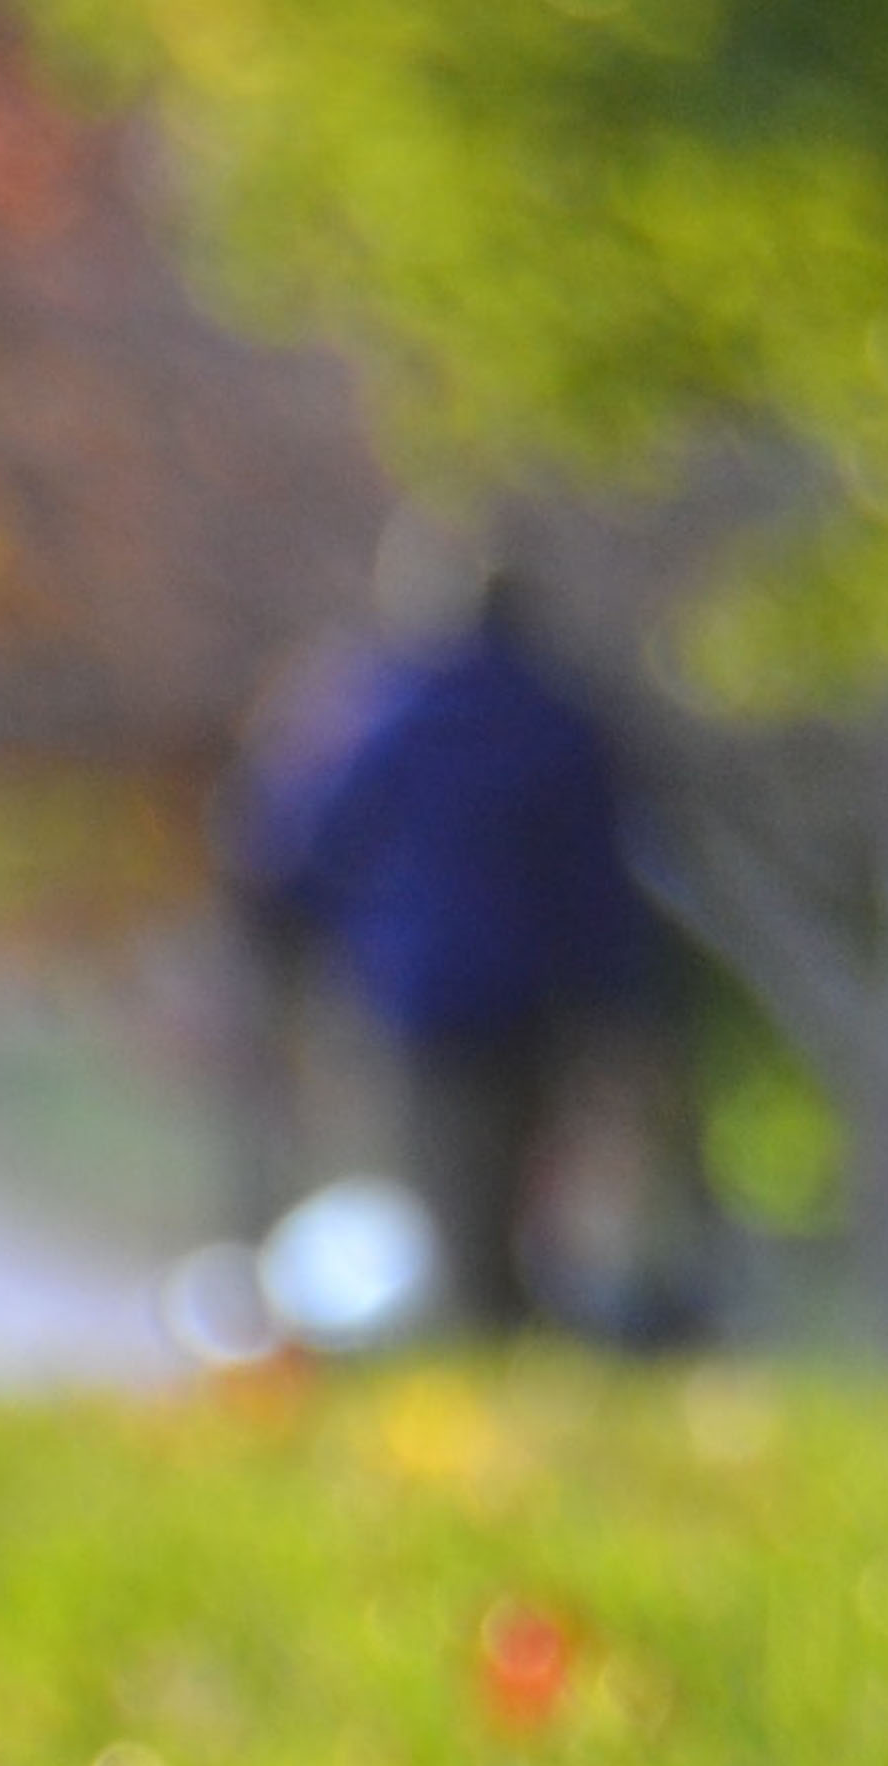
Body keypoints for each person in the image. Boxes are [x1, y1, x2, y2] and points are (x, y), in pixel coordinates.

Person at [241, 526, 669, 1341]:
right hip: (534, 989)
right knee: (518, 1168)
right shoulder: (559, 720)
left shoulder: (379, 719)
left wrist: (314, 940)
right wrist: (616, 988)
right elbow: (598, 877)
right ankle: (497, 1322)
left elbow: (305, 844)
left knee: (443, 1166)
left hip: (418, 985)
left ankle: (477, 1326)